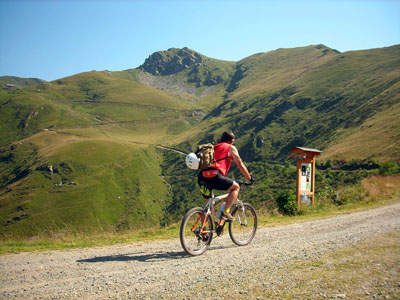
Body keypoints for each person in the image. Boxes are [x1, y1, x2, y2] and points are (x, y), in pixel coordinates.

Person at [198, 131, 254, 221]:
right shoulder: (230, 148)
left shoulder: (213, 147)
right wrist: (249, 178)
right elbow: (240, 164)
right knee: (236, 187)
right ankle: (226, 212)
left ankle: (204, 231)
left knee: (208, 205)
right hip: (215, 176)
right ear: (231, 141)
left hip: (202, 176)